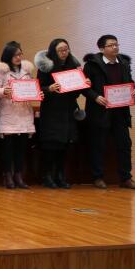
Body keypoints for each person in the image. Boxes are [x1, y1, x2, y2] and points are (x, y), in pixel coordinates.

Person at [82, 34, 135, 190]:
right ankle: (98, 177)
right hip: (99, 112)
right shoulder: (92, 65)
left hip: (121, 112)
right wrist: (95, 97)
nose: (115, 47)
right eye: (111, 45)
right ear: (102, 49)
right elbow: (84, 87)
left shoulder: (124, 63)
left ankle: (126, 178)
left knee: (125, 144)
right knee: (98, 145)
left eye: (116, 44)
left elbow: (130, 82)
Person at [34, 38, 88, 189]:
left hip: (68, 110)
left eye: (66, 49)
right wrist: (49, 89)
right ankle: (47, 176)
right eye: (60, 50)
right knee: (51, 145)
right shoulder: (46, 67)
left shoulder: (74, 67)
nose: (64, 52)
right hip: (51, 111)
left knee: (65, 145)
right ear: (53, 51)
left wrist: (83, 84)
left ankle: (60, 176)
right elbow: (38, 88)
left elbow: (76, 93)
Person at [0, 43, 36, 189]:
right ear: (8, 55)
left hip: (24, 113)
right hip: (8, 113)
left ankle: (18, 175)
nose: (19, 57)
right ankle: (7, 175)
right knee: (7, 149)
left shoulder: (26, 70)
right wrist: (3, 91)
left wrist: (37, 93)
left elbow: (31, 88)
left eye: (20, 54)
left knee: (21, 148)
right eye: (16, 55)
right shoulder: (0, 71)